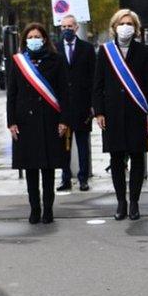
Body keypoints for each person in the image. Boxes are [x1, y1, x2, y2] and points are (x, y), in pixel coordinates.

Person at [93, 9, 148, 221]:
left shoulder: (145, 52)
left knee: (138, 157)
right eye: (121, 23)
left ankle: (135, 203)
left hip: (137, 112)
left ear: (136, 28)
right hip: (112, 114)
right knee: (117, 158)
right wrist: (99, 111)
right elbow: (98, 85)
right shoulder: (105, 51)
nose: (125, 27)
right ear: (114, 27)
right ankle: (121, 202)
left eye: (129, 23)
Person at [7, 23, 71, 223]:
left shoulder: (57, 60)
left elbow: (65, 93)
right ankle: (34, 209)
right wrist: (11, 122)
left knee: (48, 168)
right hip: (25, 122)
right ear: (25, 40)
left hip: (50, 120)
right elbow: (12, 94)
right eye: (30, 36)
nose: (34, 40)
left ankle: (48, 209)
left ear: (44, 39)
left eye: (38, 36)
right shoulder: (17, 62)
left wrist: (64, 120)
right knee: (30, 169)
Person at [55, 14, 96, 192]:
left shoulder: (87, 49)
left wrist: (93, 105)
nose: (66, 30)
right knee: (63, 147)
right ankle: (65, 178)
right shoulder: (55, 49)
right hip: (62, 107)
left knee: (82, 145)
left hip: (82, 106)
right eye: (63, 27)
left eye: (70, 27)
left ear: (76, 28)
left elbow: (94, 78)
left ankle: (83, 178)